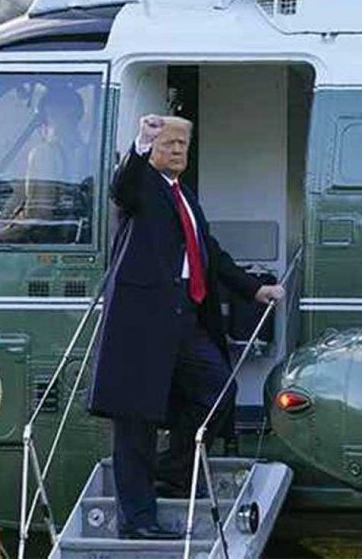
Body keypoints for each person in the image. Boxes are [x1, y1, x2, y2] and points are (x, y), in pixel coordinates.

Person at [88, 115, 285, 540]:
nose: (177, 151)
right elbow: (121, 187)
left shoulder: (185, 196)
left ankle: (170, 473)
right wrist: (140, 144)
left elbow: (208, 252)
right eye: (169, 144)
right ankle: (138, 520)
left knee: (218, 391)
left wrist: (254, 290)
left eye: (183, 145)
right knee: (135, 420)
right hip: (141, 321)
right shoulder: (141, 185)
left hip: (183, 315)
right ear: (152, 148)